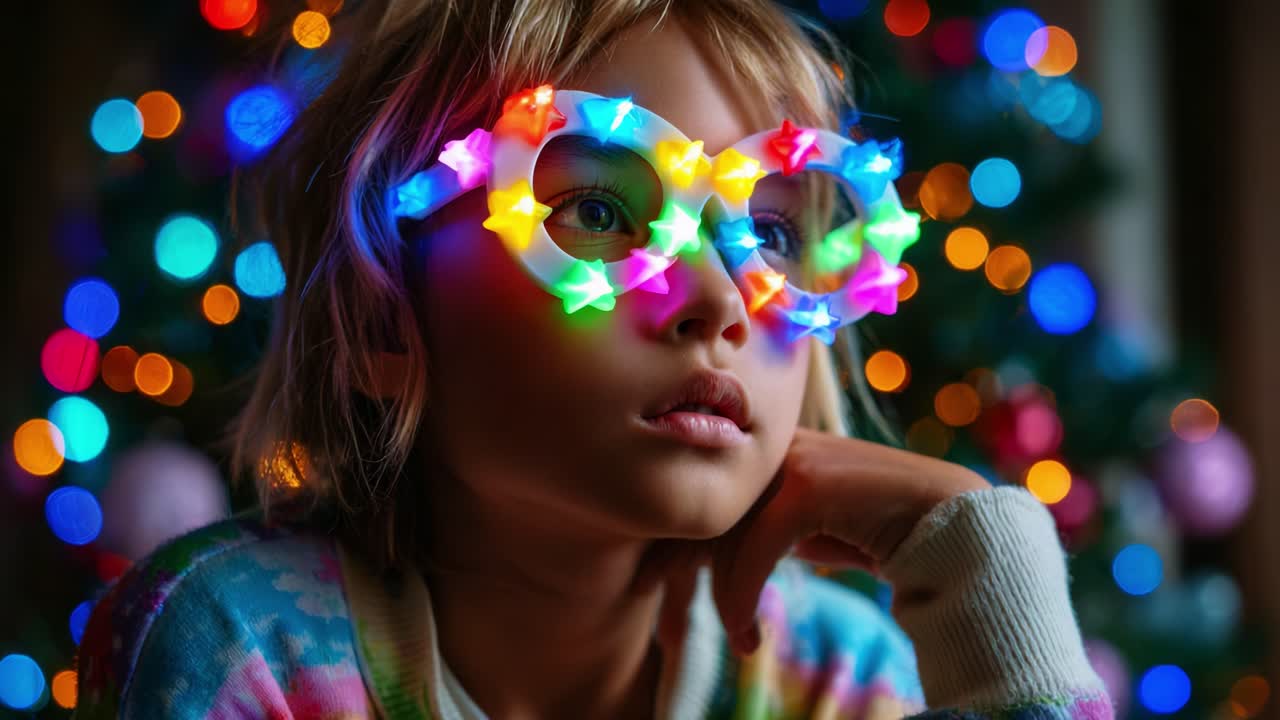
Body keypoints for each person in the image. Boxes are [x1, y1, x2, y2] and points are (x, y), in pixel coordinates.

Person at [74, 1, 1113, 718]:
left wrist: (988, 567)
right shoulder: (231, 646)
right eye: (604, 211)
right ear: (386, 316)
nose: (715, 298)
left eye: (775, 235)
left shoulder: (841, 679)